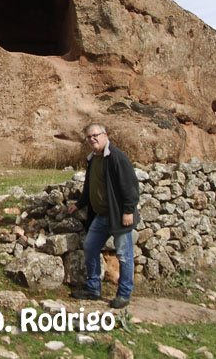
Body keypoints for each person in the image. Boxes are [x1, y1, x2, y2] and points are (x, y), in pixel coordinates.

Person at [66, 122, 139, 309]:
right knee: (90, 246)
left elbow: (130, 186)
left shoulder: (117, 158)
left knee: (124, 255)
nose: (92, 139)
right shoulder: (93, 159)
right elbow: (91, 186)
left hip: (119, 216)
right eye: (89, 137)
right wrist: (79, 204)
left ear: (105, 135)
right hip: (101, 216)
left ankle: (123, 294)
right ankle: (93, 289)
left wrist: (128, 211)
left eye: (96, 135)